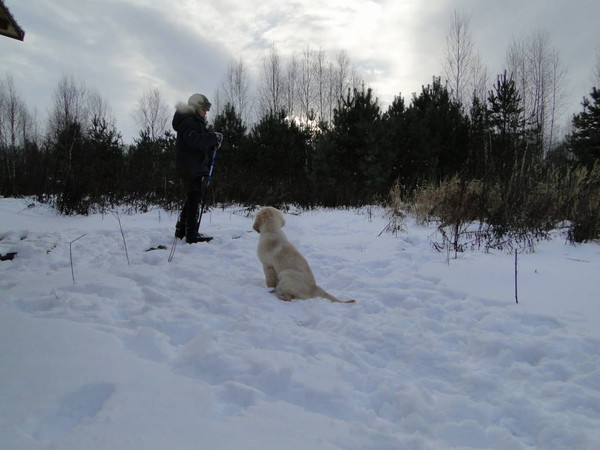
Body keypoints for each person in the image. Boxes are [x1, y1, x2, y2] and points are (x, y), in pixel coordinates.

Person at [172, 93, 223, 243]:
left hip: (193, 165)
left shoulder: (194, 120)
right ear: (196, 107)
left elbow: (199, 144)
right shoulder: (189, 121)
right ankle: (191, 235)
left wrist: (213, 142)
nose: (206, 112)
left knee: (192, 198)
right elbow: (194, 141)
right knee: (194, 199)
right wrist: (213, 137)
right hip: (190, 167)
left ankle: (181, 230)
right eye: (204, 108)